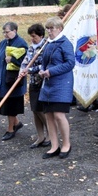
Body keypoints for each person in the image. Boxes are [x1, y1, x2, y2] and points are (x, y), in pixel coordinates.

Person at [37, 17, 76, 159]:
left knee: (59, 115)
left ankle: (66, 144)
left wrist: (51, 72)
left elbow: (70, 63)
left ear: (59, 28)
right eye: (47, 28)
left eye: (51, 28)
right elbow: (44, 62)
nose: (49, 31)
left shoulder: (65, 43)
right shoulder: (48, 43)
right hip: (48, 84)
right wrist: (41, 71)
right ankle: (54, 146)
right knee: (49, 116)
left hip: (61, 84)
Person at [0, 22, 28, 141]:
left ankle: (10, 129)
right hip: (3, 80)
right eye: (4, 32)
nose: (5, 34)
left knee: (11, 104)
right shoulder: (2, 43)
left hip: (13, 80)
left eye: (7, 32)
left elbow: (26, 62)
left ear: (15, 30)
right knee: (5, 104)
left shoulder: (21, 43)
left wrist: (13, 60)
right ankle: (16, 123)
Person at [18, 24, 50, 149]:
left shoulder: (45, 47)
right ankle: (40, 136)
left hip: (42, 82)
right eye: (31, 36)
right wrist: (22, 69)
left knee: (41, 109)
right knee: (35, 110)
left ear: (41, 35)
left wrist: (29, 69)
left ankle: (50, 133)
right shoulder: (31, 47)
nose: (32, 39)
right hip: (33, 82)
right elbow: (26, 61)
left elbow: (43, 65)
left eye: (34, 36)